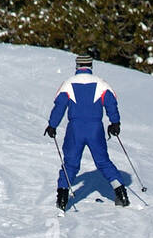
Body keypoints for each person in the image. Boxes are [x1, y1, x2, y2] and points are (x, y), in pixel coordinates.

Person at [44, 54, 129, 210]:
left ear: (77, 66)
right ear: (90, 66)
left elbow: (59, 106)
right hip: (95, 128)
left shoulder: (68, 84)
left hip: (75, 129)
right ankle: (121, 194)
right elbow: (111, 102)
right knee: (103, 162)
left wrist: (52, 125)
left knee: (71, 163)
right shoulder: (101, 83)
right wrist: (114, 122)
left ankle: (62, 199)